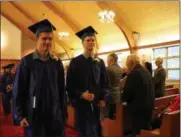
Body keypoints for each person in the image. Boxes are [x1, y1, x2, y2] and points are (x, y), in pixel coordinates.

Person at [12, 19, 66, 137]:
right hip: (34, 114)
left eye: (50, 39)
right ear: (37, 39)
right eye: (44, 38)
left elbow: (61, 91)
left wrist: (63, 114)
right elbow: (18, 91)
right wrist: (19, 116)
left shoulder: (56, 63)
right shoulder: (26, 62)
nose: (47, 41)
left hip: (54, 116)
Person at [66, 26, 110, 137]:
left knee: (97, 132)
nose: (91, 42)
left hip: (97, 106)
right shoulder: (75, 62)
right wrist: (81, 95)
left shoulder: (99, 62)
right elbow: (69, 86)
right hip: (82, 107)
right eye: (88, 40)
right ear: (83, 43)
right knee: (85, 132)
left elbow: (105, 83)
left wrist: (103, 98)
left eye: (93, 40)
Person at [122, 54, 155, 136]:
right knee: (145, 130)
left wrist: (124, 99)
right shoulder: (146, 71)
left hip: (139, 109)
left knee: (137, 132)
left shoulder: (133, 74)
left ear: (131, 63)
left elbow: (127, 94)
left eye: (127, 64)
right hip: (149, 106)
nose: (127, 67)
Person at [106, 53, 122, 119]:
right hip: (117, 95)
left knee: (108, 117)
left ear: (111, 60)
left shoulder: (108, 69)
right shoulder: (120, 68)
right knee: (115, 116)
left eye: (107, 60)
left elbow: (106, 84)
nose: (107, 61)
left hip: (110, 96)